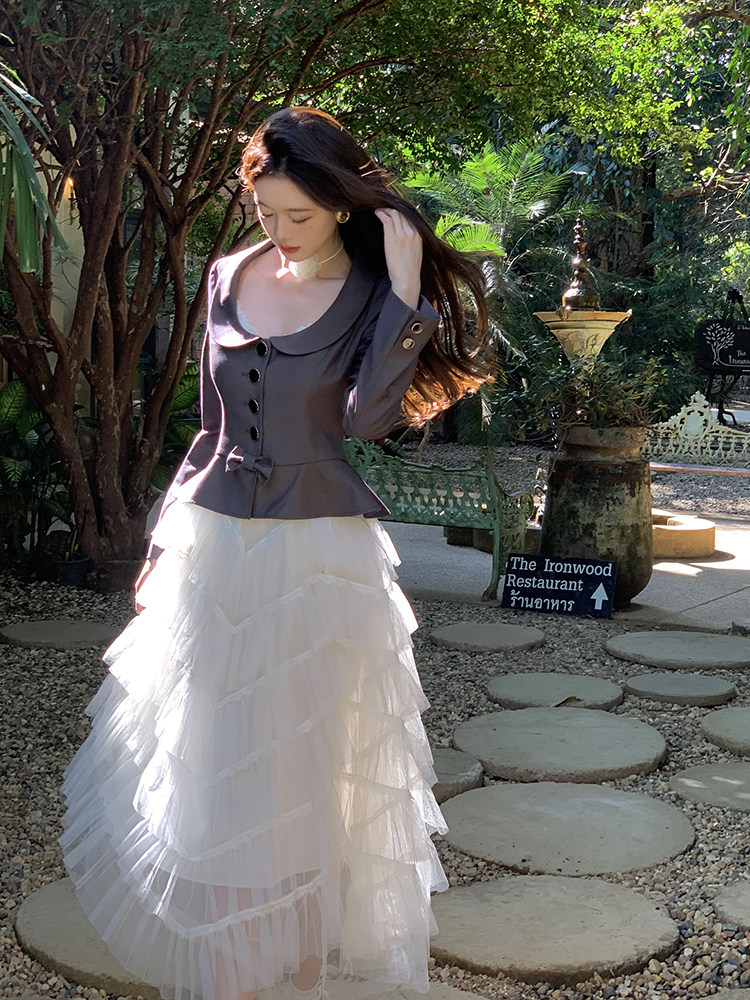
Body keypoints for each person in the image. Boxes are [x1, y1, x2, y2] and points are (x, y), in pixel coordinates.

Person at [59, 107, 492, 1000]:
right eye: (265, 211)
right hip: (215, 549)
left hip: (317, 560)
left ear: (342, 206)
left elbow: (363, 423)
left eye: (300, 215)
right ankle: (234, 970)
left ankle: (292, 971)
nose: (281, 230)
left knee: (301, 764)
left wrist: (403, 289)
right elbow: (209, 428)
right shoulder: (227, 274)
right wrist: (162, 542)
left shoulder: (373, 295)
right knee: (213, 760)